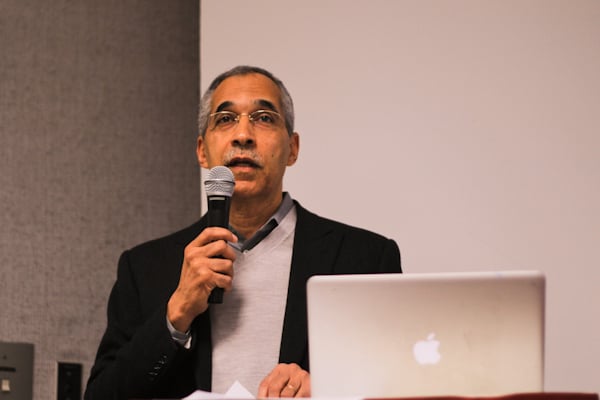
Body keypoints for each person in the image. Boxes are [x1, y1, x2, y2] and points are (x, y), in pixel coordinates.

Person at [84, 65, 401, 400]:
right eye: (225, 119)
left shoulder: (365, 257)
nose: (243, 135)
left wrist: (328, 389)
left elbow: (402, 383)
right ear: (202, 151)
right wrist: (176, 314)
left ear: (292, 149)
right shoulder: (144, 267)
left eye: (264, 118)